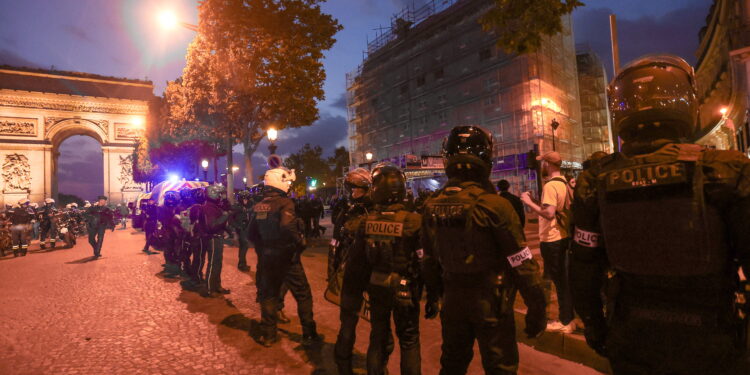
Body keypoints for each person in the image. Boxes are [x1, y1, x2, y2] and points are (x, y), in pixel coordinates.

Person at [570, 55, 750, 375]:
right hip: (712, 339)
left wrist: (596, 328)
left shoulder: (596, 178)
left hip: (631, 335)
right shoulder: (725, 169)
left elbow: (584, 268)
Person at [422, 125, 547, 374]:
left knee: (453, 364)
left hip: (453, 299)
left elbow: (428, 259)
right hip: (491, 301)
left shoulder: (431, 205)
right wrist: (537, 306)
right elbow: (522, 261)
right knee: (500, 366)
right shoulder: (495, 205)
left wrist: (434, 295)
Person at [355, 163, 424, 375]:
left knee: (378, 336)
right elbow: (425, 261)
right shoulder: (414, 220)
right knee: (409, 341)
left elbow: (359, 263)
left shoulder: (366, 221)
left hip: (376, 286)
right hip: (405, 288)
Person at [333, 168, 394, 375]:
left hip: (369, 276)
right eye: (351, 189)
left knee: (378, 326)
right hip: (356, 275)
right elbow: (336, 243)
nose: (353, 193)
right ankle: (345, 366)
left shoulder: (376, 214)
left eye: (357, 189)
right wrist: (334, 268)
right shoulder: (348, 212)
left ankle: (378, 364)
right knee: (349, 325)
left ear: (368, 189)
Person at [249, 167, 318, 346]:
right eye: (287, 182)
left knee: (269, 295)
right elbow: (287, 226)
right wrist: (299, 240)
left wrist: (263, 249)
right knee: (303, 294)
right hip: (286, 257)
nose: (288, 185)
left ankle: (269, 335)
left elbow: (250, 233)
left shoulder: (258, 206)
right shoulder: (285, 203)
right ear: (279, 182)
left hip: (267, 258)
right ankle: (309, 333)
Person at [520, 151, 575, 333]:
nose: (540, 165)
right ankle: (568, 317)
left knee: (560, 282)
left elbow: (549, 213)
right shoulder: (564, 182)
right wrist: (536, 201)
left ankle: (566, 321)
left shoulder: (551, 186)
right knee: (563, 280)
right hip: (563, 236)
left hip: (552, 239)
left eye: (542, 162)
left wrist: (528, 201)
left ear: (548, 164)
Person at [199, 185, 231, 298]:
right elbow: (212, 225)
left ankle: (217, 286)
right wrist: (225, 216)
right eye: (219, 194)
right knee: (213, 264)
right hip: (212, 238)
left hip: (217, 237)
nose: (220, 196)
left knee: (218, 263)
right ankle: (208, 288)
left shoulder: (214, 206)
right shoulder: (209, 207)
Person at [231, 190, 253, 272]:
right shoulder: (236, 207)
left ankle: (242, 263)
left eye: (247, 198)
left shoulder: (246, 206)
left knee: (244, 246)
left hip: (245, 228)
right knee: (244, 245)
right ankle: (241, 264)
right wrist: (237, 227)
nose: (245, 200)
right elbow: (230, 219)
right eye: (244, 198)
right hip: (241, 229)